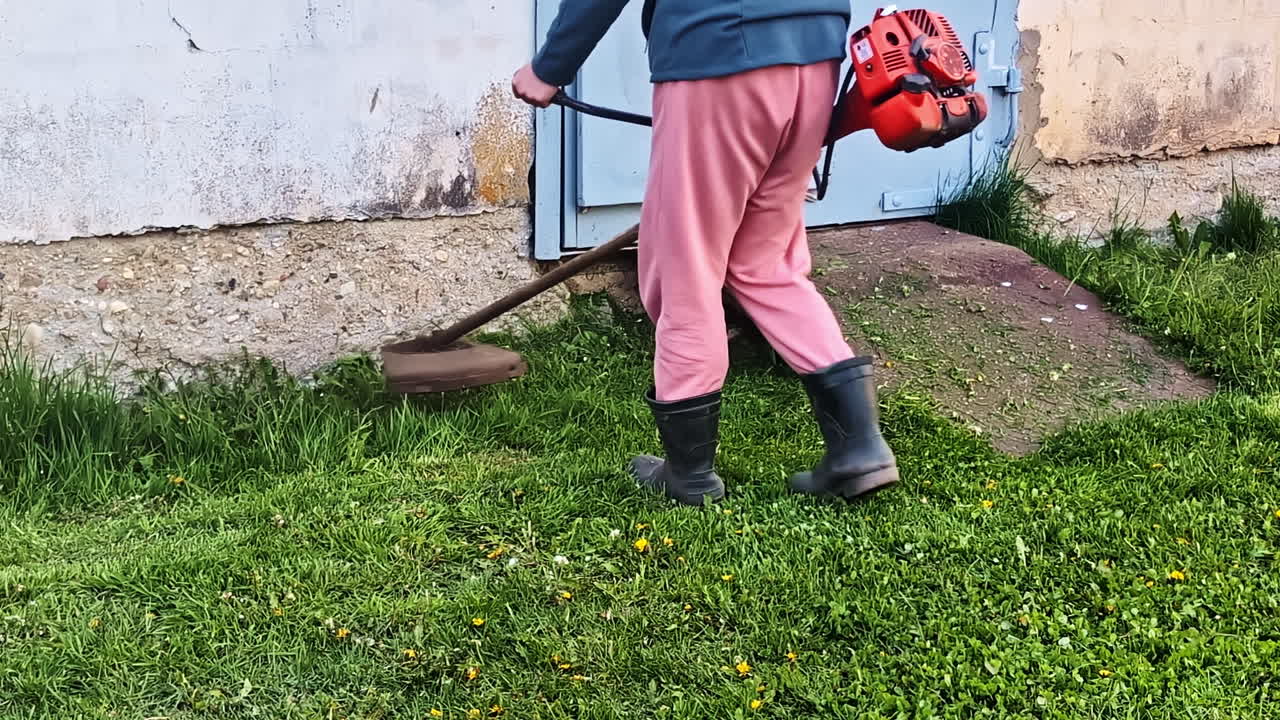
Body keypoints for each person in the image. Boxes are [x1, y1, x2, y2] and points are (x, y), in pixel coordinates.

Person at [512, 0, 898, 506]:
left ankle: (689, 475)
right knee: (767, 264)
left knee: (686, 266)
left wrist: (550, 67)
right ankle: (861, 450)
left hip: (718, 53)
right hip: (815, 60)